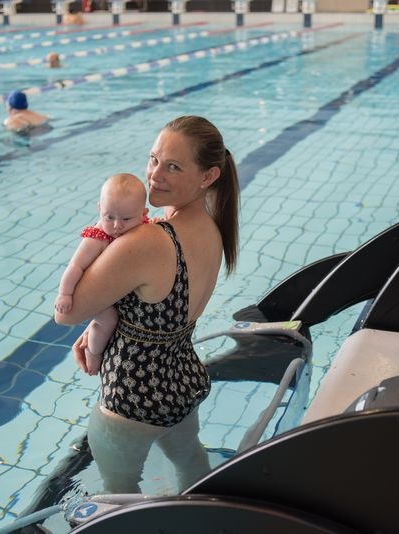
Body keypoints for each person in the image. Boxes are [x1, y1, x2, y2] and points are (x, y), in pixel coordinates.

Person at [54, 115, 240, 494]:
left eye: (173, 166)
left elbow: (65, 312)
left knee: (117, 497)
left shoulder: (148, 242)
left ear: (207, 177)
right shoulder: (212, 228)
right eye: (154, 159)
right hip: (180, 384)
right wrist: (105, 326)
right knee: (192, 466)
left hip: (131, 403)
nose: (155, 175)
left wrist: (101, 228)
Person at [55, 173, 149, 375]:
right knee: (107, 321)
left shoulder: (145, 230)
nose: (117, 226)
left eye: (126, 219)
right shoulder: (98, 237)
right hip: (96, 296)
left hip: (117, 292)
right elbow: (75, 266)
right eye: (109, 217)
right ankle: (94, 354)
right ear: (99, 210)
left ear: (144, 214)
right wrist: (65, 294)